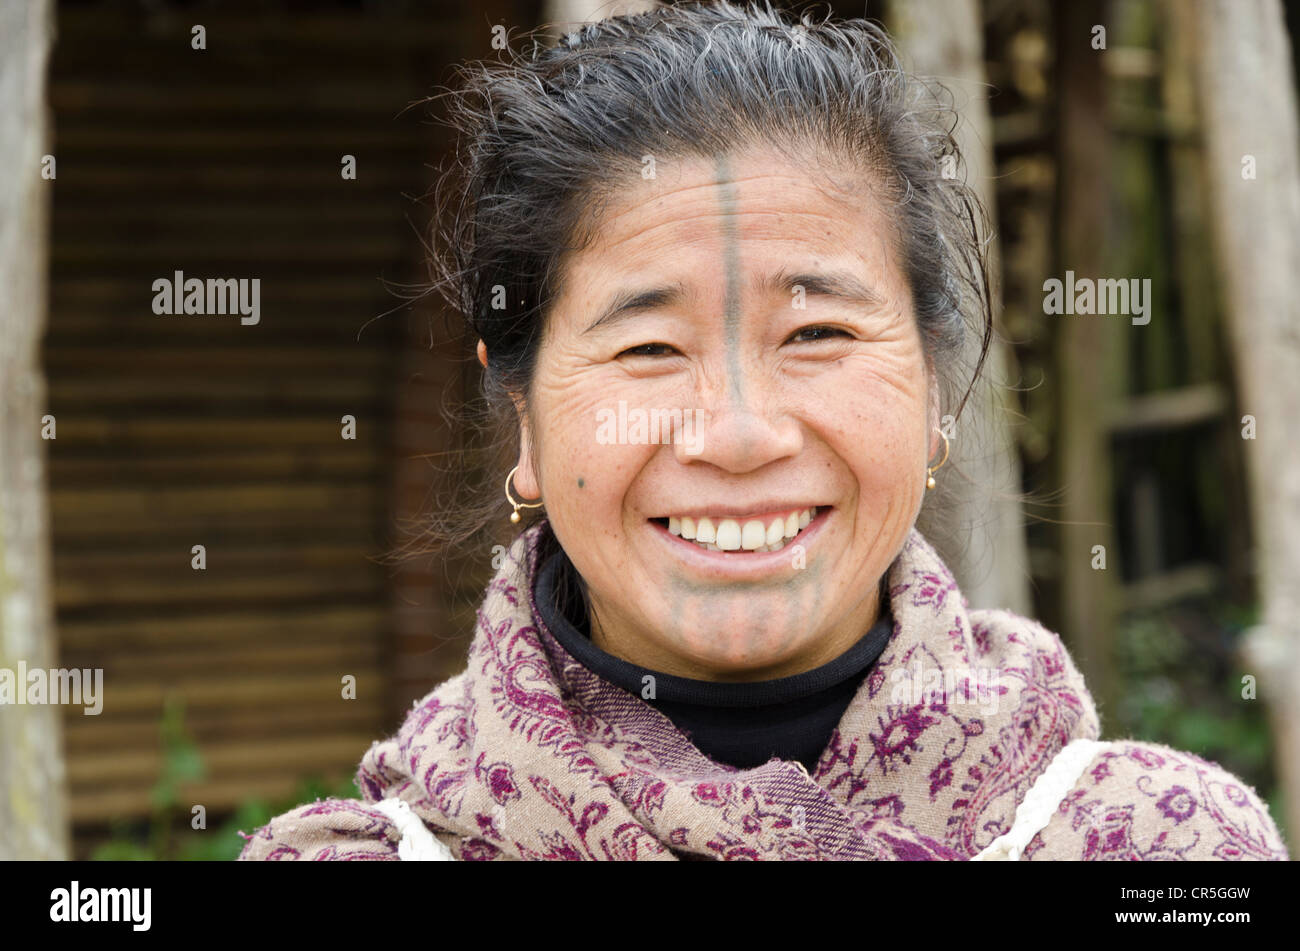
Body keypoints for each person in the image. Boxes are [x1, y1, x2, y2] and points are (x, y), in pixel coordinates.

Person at [238, 0, 1288, 861]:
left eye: (818, 330)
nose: (736, 436)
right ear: (523, 418)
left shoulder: (1158, 850)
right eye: (648, 348)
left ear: (932, 395)